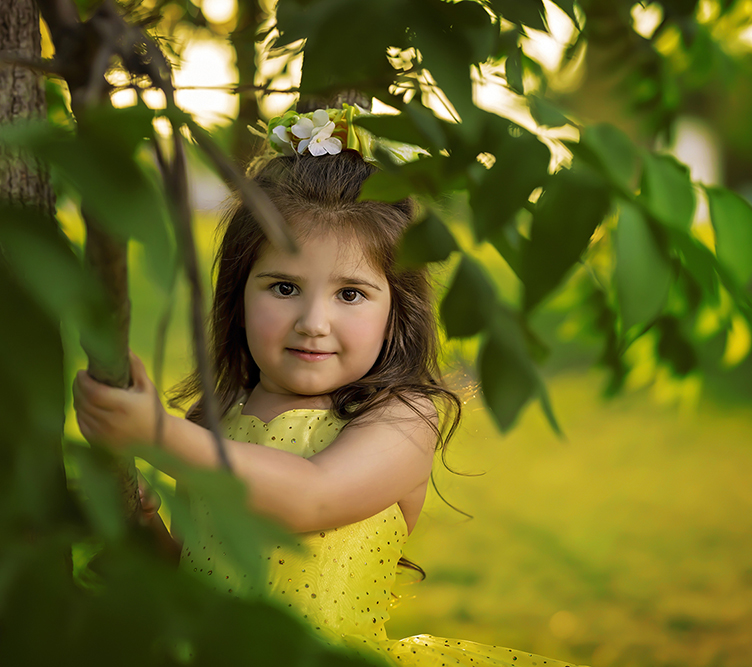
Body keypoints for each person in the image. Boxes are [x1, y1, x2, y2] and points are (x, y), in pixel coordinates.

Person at [73, 108, 586, 666]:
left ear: (397, 311)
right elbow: (199, 575)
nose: (313, 321)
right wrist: (143, 522)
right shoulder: (218, 419)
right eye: (285, 287)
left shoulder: (401, 418)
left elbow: (309, 497)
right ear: (237, 299)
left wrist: (156, 435)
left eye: (350, 294)